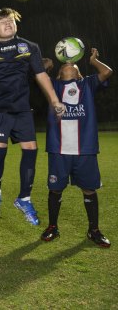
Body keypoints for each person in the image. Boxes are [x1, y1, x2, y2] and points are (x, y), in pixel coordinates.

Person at [0, 7, 65, 225]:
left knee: (30, 150)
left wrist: (54, 100)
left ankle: (24, 198)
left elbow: (41, 74)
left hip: (22, 108)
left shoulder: (29, 46)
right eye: (2, 21)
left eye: (10, 20)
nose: (8, 23)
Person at [41, 49, 112, 247]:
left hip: (85, 149)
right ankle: (52, 227)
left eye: (74, 65)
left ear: (79, 73)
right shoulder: (53, 86)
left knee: (89, 189)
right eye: (64, 65)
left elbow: (107, 72)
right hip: (58, 149)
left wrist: (94, 61)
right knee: (55, 189)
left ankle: (94, 230)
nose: (69, 65)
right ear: (59, 73)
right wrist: (44, 66)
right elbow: (37, 76)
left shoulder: (87, 84)